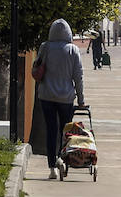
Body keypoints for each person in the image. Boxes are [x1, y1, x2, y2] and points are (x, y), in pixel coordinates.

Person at [35, 18, 85, 180]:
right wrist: (81, 100)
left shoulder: (45, 47)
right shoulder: (73, 50)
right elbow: (78, 77)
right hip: (66, 98)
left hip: (46, 96)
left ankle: (52, 168)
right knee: (65, 132)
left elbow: (36, 67)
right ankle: (62, 161)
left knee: (51, 130)